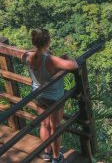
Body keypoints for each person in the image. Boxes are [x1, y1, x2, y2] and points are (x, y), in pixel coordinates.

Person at [22, 29, 78, 163]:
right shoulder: (51, 60)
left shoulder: (28, 56)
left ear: (34, 42)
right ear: (48, 42)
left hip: (38, 95)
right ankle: (56, 157)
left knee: (44, 124)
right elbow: (74, 65)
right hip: (54, 98)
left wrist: (39, 50)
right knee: (56, 127)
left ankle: (46, 154)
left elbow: (24, 55)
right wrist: (65, 56)